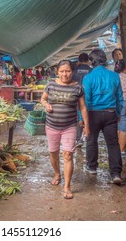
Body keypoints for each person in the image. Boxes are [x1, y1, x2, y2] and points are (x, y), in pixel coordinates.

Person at [41, 60, 89, 199]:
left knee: (68, 154)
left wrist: (87, 125)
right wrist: (46, 104)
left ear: (72, 72)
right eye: (61, 71)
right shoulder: (51, 84)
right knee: (53, 153)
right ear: (57, 72)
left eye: (67, 71)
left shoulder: (78, 87)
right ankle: (57, 173)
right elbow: (43, 99)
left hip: (69, 126)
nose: (64, 74)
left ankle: (67, 187)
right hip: (51, 126)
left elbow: (83, 107)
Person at [82, 49, 123, 185]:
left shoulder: (88, 77)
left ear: (92, 62)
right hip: (111, 113)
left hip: (93, 114)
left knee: (91, 141)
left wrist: (83, 119)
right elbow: (119, 98)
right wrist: (118, 113)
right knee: (113, 143)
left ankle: (92, 167)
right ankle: (116, 174)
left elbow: (86, 100)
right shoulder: (114, 76)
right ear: (104, 60)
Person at [72, 53, 92, 148]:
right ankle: (88, 137)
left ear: (78, 60)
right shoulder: (91, 71)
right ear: (88, 60)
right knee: (88, 116)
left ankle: (78, 139)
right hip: (89, 97)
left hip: (75, 96)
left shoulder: (73, 71)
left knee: (77, 117)